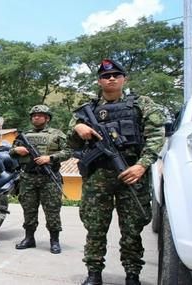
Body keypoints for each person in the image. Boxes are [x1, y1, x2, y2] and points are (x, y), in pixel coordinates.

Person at [67, 59, 165, 285]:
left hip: (132, 172)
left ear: (124, 79)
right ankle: (94, 274)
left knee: (132, 229)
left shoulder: (142, 103)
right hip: (98, 175)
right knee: (95, 227)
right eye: (105, 76)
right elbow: (71, 143)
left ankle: (132, 274)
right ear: (99, 81)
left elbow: (157, 136)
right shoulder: (86, 109)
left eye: (116, 75)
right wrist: (77, 127)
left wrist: (142, 164)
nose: (111, 78)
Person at [11, 104, 70, 254]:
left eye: (40, 115)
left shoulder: (56, 134)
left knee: (52, 211)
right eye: (34, 115)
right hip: (28, 177)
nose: (36, 117)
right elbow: (11, 152)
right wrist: (16, 150)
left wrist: (50, 158)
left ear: (47, 118)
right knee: (29, 210)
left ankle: (54, 241)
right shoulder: (24, 135)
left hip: (49, 178)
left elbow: (69, 151)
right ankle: (29, 238)